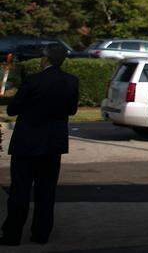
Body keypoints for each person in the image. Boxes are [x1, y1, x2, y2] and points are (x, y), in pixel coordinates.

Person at [1, 43, 79, 246]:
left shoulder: (33, 81)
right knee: (46, 191)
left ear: (45, 59)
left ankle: (12, 234)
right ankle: (41, 234)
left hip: (27, 142)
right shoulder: (71, 81)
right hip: (53, 144)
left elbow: (12, 110)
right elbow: (71, 110)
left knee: (20, 191)